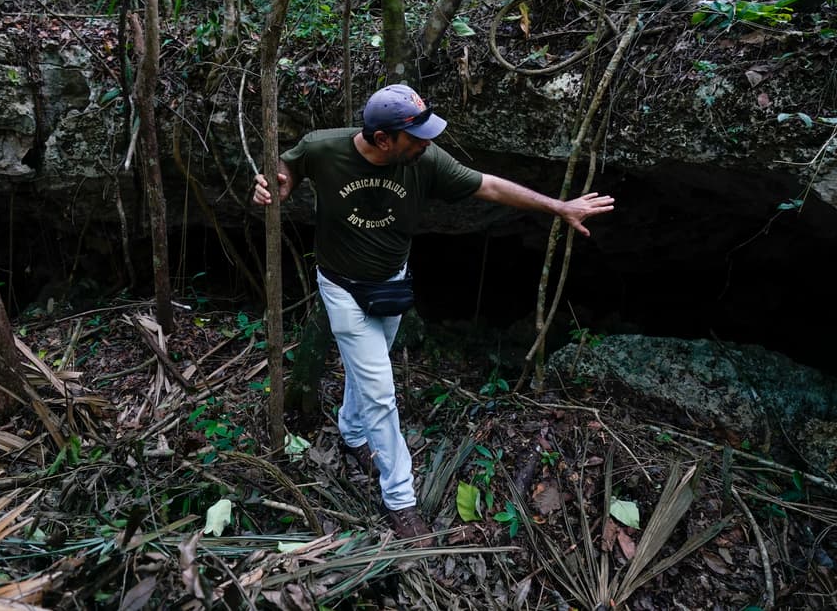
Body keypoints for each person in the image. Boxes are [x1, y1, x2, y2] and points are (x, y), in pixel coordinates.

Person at [252, 83, 613, 545]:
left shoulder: (425, 160)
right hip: (342, 288)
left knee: (370, 369)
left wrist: (557, 207)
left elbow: (489, 185)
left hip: (391, 283)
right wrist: (274, 181)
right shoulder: (325, 147)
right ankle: (400, 500)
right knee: (381, 390)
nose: (427, 143)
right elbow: (290, 164)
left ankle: (351, 430)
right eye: (417, 136)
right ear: (384, 139)